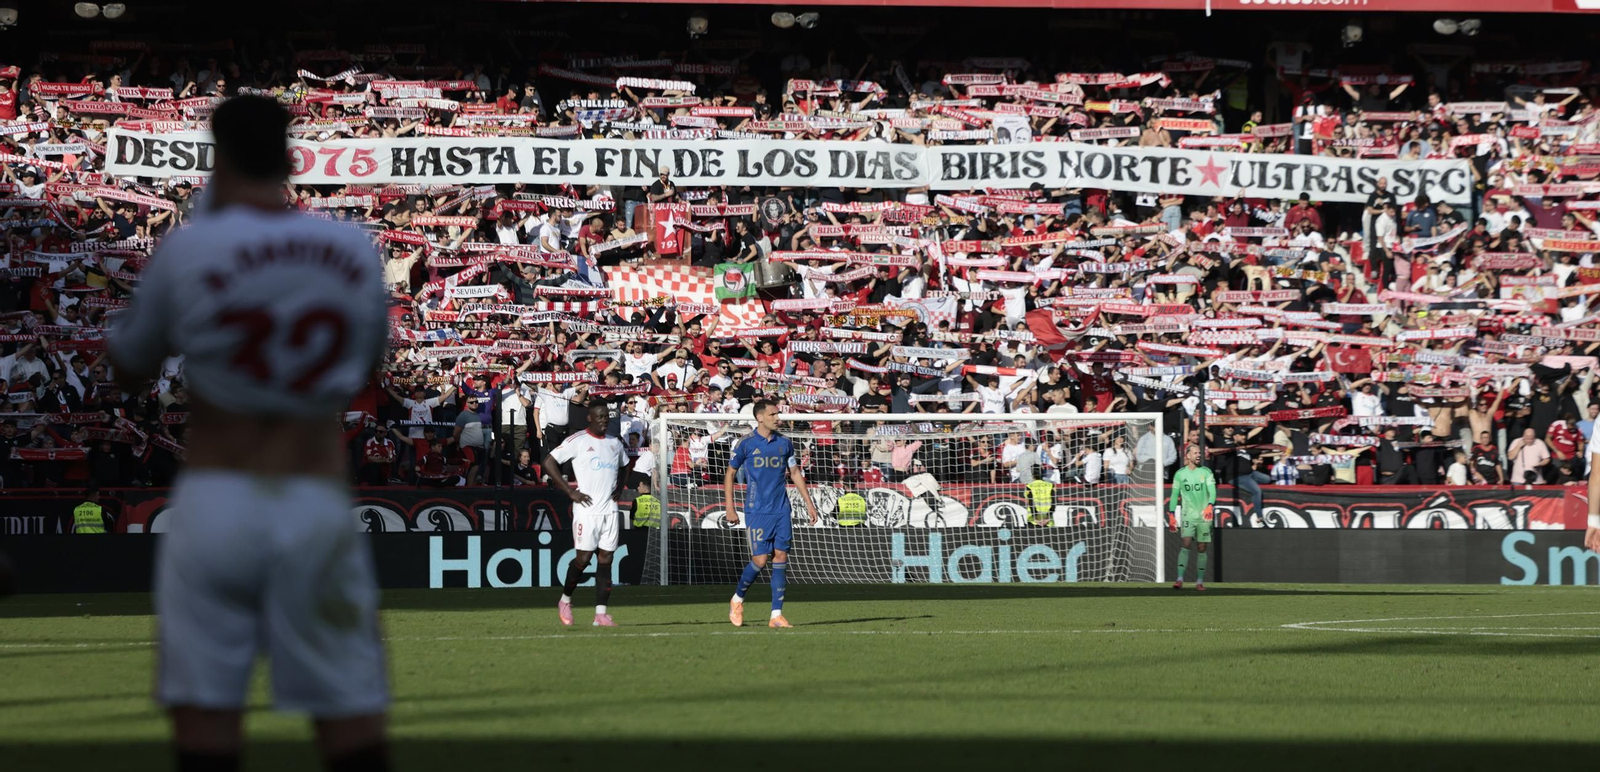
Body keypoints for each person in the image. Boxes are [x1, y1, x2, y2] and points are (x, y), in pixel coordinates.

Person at [107, 96, 392, 772]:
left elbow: (128, 367)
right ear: (289, 154)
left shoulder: (190, 247)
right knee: (350, 724)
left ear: (219, 154)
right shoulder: (348, 246)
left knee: (206, 722)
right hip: (314, 494)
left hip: (217, 495)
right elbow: (369, 359)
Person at [724, 400, 819, 628]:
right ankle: (737, 599)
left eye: (778, 414)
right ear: (760, 417)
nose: (778, 418)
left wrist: (809, 503)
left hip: (781, 509)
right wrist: (730, 507)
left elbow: (794, 472)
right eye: (773, 414)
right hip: (757, 509)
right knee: (760, 560)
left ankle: (776, 615)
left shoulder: (785, 443)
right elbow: (730, 474)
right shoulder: (745, 444)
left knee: (781, 557)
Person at [543, 403, 629, 627]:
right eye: (599, 417)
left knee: (606, 559)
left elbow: (626, 465)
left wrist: (620, 487)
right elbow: (549, 462)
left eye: (606, 418)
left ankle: (600, 614)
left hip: (609, 509)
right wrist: (571, 491)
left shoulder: (615, 443)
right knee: (583, 558)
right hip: (587, 510)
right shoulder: (577, 440)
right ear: (589, 418)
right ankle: (565, 600)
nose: (604, 420)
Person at [1168, 444, 1216, 591]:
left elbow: (1212, 491)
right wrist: (1171, 514)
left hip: (1204, 516)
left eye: (1200, 453)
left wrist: (1210, 505)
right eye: (1195, 452)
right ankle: (1180, 579)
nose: (1199, 455)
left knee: (1202, 547)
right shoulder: (1180, 474)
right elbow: (1175, 495)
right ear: (1187, 455)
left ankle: (1199, 581)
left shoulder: (1206, 472)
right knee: (1186, 542)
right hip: (1188, 515)